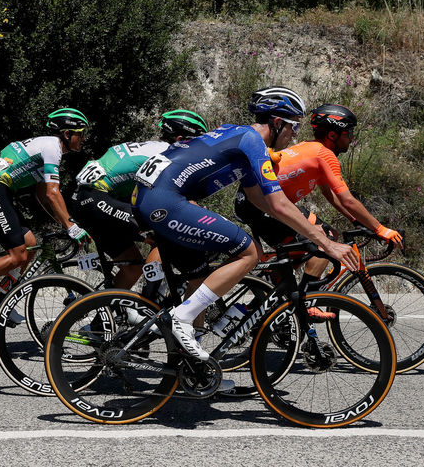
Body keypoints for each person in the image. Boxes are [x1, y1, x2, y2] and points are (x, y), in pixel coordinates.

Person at [131, 87, 358, 360]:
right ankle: (180, 317)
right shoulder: (252, 141)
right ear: (277, 123)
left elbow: (258, 198)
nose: (295, 135)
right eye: (293, 127)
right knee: (250, 252)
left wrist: (304, 232)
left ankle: (194, 368)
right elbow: (279, 204)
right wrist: (326, 242)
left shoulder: (238, 135)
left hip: (148, 197)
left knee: (200, 280)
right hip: (164, 201)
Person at [234, 103, 403, 317]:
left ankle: (275, 288)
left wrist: (356, 221)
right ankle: (308, 300)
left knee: (312, 240)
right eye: (348, 133)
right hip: (258, 205)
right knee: (326, 237)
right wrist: (380, 229)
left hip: (256, 203)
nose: (351, 138)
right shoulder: (324, 155)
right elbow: (347, 199)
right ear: (333, 135)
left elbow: (330, 194)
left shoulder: (312, 149)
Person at [0, 107, 93, 325]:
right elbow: (52, 192)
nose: (83, 139)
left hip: (1, 192)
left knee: (30, 245)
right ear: (67, 134)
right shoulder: (52, 148)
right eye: (80, 134)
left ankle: (1, 302)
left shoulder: (47, 147)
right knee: (17, 254)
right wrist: (71, 227)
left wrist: (65, 223)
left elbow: (42, 195)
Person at [71, 109, 209, 290]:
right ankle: (148, 300)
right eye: (196, 141)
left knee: (133, 268)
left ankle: (108, 310)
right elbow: (172, 198)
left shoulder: (155, 147)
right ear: (180, 139)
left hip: (87, 199)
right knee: (163, 234)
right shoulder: (166, 156)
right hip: (94, 198)